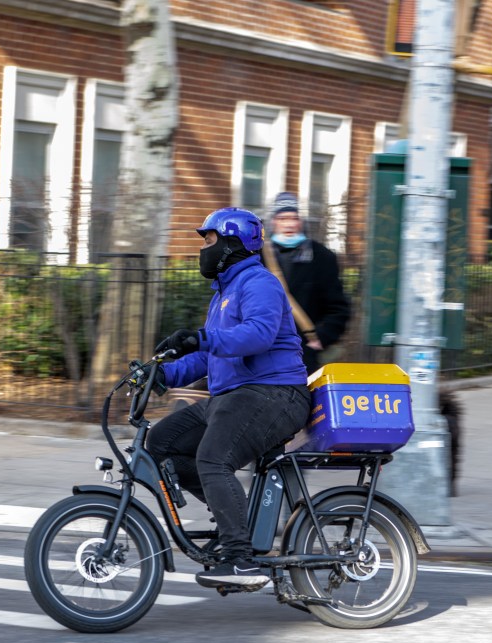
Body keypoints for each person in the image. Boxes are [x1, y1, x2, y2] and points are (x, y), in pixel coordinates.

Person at [148, 207, 310, 589]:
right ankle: (233, 521)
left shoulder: (259, 283)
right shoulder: (223, 292)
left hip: (274, 393)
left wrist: (201, 337)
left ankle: (241, 559)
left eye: (210, 240)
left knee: (213, 458)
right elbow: (209, 355)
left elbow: (259, 335)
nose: (204, 248)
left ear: (233, 243)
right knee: (161, 445)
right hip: (233, 396)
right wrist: (161, 373)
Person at [266, 192, 351, 375]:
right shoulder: (257, 257)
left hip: (302, 354)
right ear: (273, 221)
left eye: (294, 218)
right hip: (262, 350)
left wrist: (321, 337)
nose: (289, 224)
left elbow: (338, 307)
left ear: (301, 222)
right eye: (283, 218)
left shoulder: (322, 257)